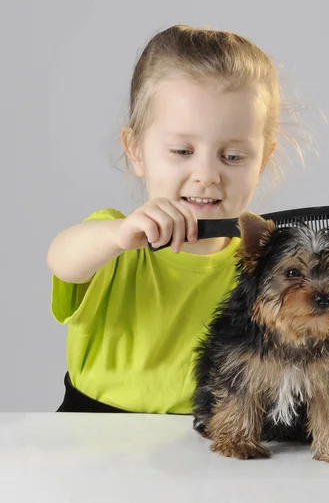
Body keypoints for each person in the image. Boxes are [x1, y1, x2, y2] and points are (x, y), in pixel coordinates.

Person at [47, 24, 305, 413]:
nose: (207, 175)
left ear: (263, 160)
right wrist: (119, 234)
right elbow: (62, 259)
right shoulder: (118, 241)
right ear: (135, 150)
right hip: (94, 436)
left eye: (233, 157)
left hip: (211, 441)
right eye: (183, 151)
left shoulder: (262, 265)